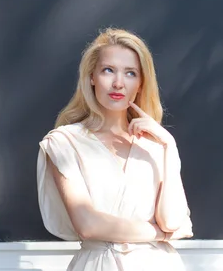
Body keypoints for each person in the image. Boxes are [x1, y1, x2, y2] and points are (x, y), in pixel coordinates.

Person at [37, 28, 193, 271]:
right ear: (91, 77)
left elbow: (172, 221)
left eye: (130, 73)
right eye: (108, 70)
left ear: (141, 83)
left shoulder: (157, 145)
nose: (118, 83)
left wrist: (169, 147)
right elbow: (87, 225)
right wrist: (159, 233)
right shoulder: (65, 142)